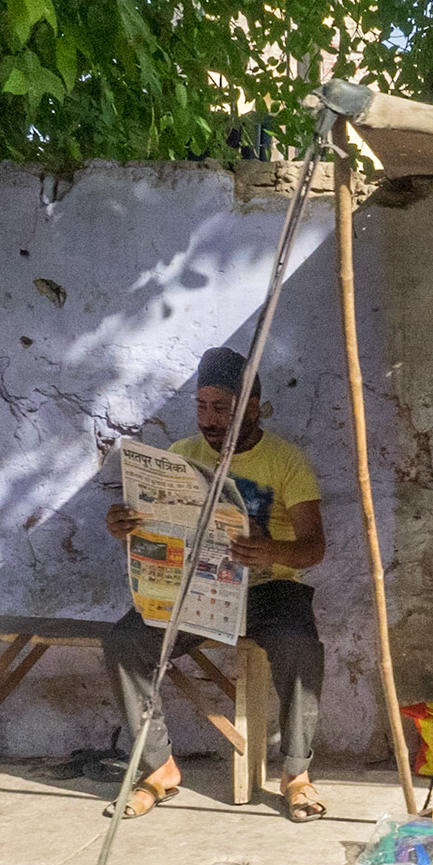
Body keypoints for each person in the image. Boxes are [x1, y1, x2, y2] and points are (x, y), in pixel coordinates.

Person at [101, 346, 330, 821]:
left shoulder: (286, 461)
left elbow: (313, 548)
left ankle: (296, 775)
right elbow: (153, 539)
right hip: (198, 589)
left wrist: (271, 551)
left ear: (251, 406)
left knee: (299, 646)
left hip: (271, 591)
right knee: (125, 641)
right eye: (202, 407)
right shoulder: (181, 456)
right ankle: (158, 768)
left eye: (221, 408)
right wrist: (126, 529)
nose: (209, 419)